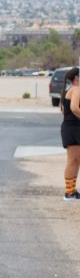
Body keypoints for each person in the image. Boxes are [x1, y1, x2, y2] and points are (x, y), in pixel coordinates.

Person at [60, 66, 80, 200]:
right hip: (73, 129)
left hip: (71, 127)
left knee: (75, 161)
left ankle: (72, 191)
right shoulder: (76, 89)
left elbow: (63, 110)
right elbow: (74, 108)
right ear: (77, 78)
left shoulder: (68, 89)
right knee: (73, 161)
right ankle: (69, 192)